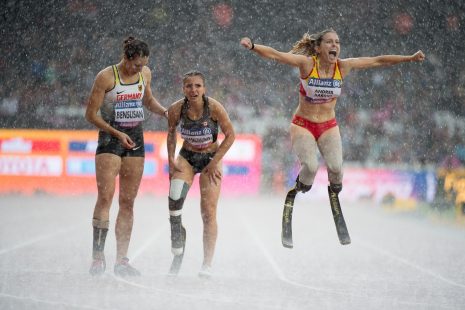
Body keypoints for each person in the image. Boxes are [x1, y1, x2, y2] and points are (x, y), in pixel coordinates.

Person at [240, 29, 425, 196]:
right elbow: (276, 55)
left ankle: (334, 189)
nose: (334, 44)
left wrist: (409, 58)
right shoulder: (307, 64)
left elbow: (378, 60)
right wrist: (253, 46)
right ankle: (301, 186)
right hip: (303, 124)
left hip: (328, 126)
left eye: (337, 41)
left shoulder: (343, 66)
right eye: (329, 41)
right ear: (318, 48)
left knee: (336, 169)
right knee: (311, 167)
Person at [85, 36, 168, 277]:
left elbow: (148, 100)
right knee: (106, 197)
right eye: (135, 65)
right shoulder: (106, 77)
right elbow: (90, 115)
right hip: (111, 138)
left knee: (128, 202)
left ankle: (122, 260)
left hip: (136, 138)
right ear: (125, 58)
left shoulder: (145, 74)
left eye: (143, 65)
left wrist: (165, 112)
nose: (139, 69)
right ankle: (98, 257)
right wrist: (116, 133)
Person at [166, 70, 235, 278]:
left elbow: (231, 135)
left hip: (210, 160)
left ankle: (206, 264)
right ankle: (178, 232)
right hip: (187, 156)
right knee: (174, 198)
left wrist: (214, 162)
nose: (193, 89)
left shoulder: (214, 108)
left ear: (204, 89)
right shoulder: (176, 109)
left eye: (197, 86)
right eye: (189, 86)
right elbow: (170, 134)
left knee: (207, 212)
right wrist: (170, 160)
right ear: (183, 89)